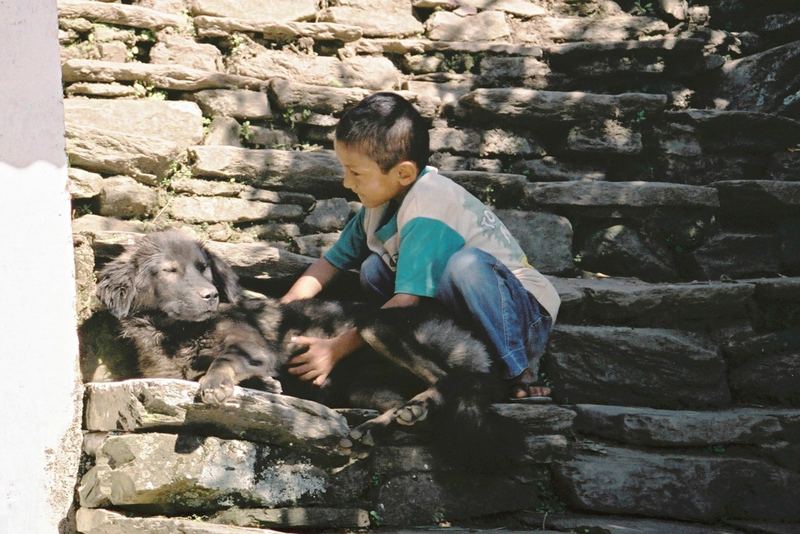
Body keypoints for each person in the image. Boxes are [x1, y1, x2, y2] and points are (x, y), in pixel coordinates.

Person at [280, 92, 560, 399]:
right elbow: (330, 263)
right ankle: (431, 352)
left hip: (523, 317)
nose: (347, 183)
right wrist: (280, 312)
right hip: (463, 312)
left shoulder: (428, 205)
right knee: (373, 269)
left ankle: (520, 371)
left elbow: (405, 302)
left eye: (356, 173)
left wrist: (335, 349)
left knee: (463, 267)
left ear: (404, 173)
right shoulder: (378, 206)